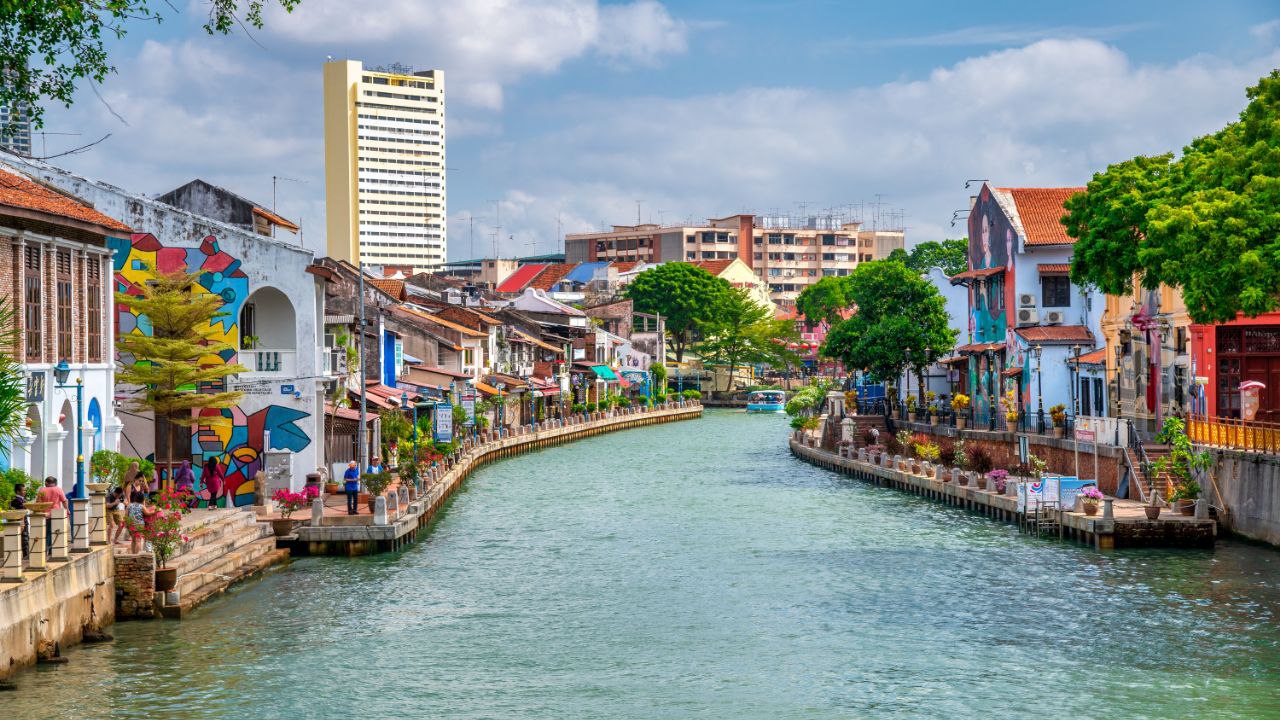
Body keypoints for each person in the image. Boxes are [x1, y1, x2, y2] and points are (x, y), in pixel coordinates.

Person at [10, 482, 27, 560]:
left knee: (24, 539)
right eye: (23, 490)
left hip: (23, 522)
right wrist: (22, 523)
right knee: (24, 539)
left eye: (25, 490)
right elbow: (21, 513)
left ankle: (25, 555)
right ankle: (26, 556)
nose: (25, 492)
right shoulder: (17, 500)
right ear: (18, 491)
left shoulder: (21, 500)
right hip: (20, 522)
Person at [127, 489, 146, 554]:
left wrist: (127, 525)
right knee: (138, 540)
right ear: (142, 499)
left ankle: (133, 555)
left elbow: (126, 516)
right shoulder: (142, 506)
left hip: (131, 525)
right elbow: (148, 513)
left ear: (135, 498)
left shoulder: (129, 506)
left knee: (133, 540)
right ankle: (136, 556)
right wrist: (155, 511)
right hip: (139, 525)